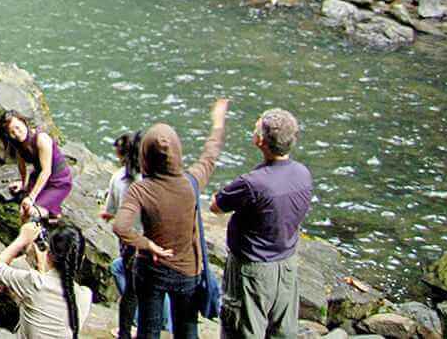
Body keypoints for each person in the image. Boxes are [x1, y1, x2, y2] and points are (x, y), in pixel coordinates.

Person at [114, 98, 230, 339]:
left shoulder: (141, 189)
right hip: (187, 271)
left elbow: (120, 226)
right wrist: (218, 122)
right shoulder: (192, 182)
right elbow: (211, 153)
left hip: (151, 270)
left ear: (145, 155)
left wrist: (147, 244)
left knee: (149, 330)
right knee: (187, 330)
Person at [211, 109, 313, 339]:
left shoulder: (252, 183)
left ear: (260, 141)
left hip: (252, 270)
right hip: (286, 265)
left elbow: (216, 205)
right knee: (283, 332)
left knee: (243, 331)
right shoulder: (303, 174)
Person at [103, 131, 166, 339]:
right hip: (154, 240)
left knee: (131, 291)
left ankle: (124, 332)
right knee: (154, 290)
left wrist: (109, 215)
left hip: (130, 243)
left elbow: (111, 209)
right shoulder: (155, 178)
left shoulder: (119, 178)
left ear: (123, 155)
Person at [0, 218, 95, 339]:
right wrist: (42, 266)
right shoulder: (85, 296)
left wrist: (22, 239)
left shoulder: (34, 283)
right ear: (81, 259)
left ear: (49, 253)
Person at [0, 110, 75, 221]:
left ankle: (52, 213)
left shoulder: (41, 139)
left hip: (58, 181)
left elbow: (46, 171)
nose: (16, 133)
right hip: (37, 177)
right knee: (22, 204)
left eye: (17, 128)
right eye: (11, 132)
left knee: (29, 211)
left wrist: (31, 197)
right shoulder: (16, 142)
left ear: (24, 122)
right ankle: (48, 211)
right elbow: (21, 165)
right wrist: (23, 184)